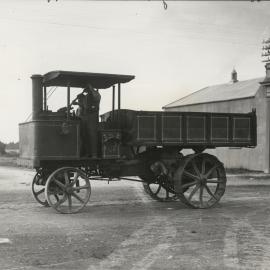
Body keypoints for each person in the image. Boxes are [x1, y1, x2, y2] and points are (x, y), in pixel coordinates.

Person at [74, 84, 101, 158]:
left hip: (92, 118)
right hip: (85, 119)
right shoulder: (85, 98)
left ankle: (94, 154)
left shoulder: (95, 95)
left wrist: (91, 87)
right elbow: (84, 106)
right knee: (84, 136)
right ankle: (87, 153)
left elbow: (90, 103)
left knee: (92, 135)